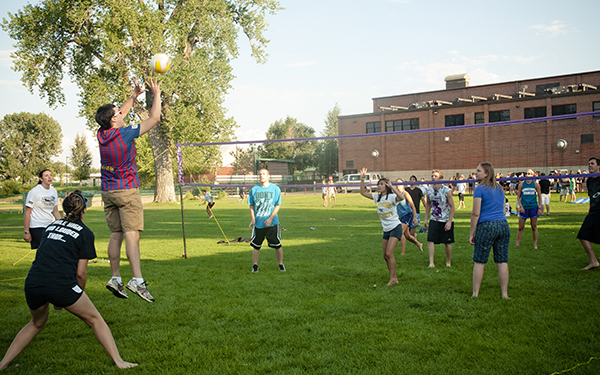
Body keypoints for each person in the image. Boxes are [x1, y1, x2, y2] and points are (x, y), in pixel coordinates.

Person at [0, 192, 137, 370]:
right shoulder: (85, 233)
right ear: (84, 211)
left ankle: (3, 363)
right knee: (95, 320)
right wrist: (73, 295)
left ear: (64, 209)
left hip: (33, 282)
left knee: (36, 323)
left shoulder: (51, 226)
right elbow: (80, 274)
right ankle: (120, 362)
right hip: (60, 286)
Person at [95, 77, 161, 303]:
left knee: (116, 234)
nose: (123, 114)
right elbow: (154, 118)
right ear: (114, 119)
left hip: (108, 192)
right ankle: (137, 280)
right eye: (119, 113)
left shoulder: (102, 133)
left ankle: (115, 277)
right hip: (127, 191)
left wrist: (133, 97)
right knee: (132, 235)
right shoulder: (124, 133)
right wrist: (156, 93)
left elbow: (119, 113)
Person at [469, 163, 511, 299]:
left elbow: (476, 213)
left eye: (478, 171)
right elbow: (504, 210)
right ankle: (504, 294)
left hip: (487, 226)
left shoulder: (480, 189)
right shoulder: (499, 188)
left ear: (486, 173)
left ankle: (475, 294)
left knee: (480, 261)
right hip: (503, 225)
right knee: (502, 261)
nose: (476, 173)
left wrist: (471, 233)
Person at [360, 168, 403, 286]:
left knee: (389, 254)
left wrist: (393, 187)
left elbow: (401, 198)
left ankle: (393, 279)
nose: (379, 186)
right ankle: (393, 277)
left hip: (395, 227)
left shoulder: (392, 197)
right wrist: (362, 178)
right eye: (378, 184)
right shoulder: (376, 197)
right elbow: (363, 192)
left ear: (387, 186)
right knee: (385, 256)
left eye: (382, 184)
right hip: (386, 229)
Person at [248, 168, 285, 273]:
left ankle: (281, 264)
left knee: (277, 244)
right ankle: (255, 265)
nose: (261, 176)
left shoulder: (275, 189)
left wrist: (270, 218)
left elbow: (278, 205)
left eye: (264, 174)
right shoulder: (254, 190)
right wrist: (253, 219)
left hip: (272, 223)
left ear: (268, 176)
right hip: (259, 223)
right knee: (256, 245)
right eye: (260, 174)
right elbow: (251, 205)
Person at [423, 170, 455, 268]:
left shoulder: (447, 191)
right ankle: (431, 263)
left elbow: (452, 206)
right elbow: (428, 204)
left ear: (440, 179)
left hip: (446, 219)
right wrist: (425, 219)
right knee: (430, 240)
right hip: (434, 219)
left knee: (447, 243)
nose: (433, 177)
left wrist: (449, 221)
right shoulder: (428, 190)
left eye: (435, 176)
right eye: (432, 175)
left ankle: (448, 262)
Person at [23, 169, 61, 249]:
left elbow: (55, 211)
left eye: (50, 175)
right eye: (46, 176)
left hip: (50, 225)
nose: (49, 177)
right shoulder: (35, 191)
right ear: (41, 179)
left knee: (52, 250)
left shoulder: (53, 191)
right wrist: (27, 232)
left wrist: (61, 224)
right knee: (43, 250)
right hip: (37, 226)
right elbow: (27, 212)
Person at [577, 157, 600, 270]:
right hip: (593, 213)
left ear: (598, 166)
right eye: (589, 164)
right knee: (582, 235)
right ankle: (594, 262)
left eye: (592, 163)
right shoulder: (589, 180)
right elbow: (591, 197)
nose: (590, 165)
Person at [395, 179, 424, 255]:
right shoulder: (395, 194)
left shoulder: (406, 193)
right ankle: (419, 244)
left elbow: (412, 205)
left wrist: (415, 218)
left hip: (408, 214)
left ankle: (403, 252)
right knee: (407, 235)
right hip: (400, 216)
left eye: (400, 184)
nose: (399, 185)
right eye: (397, 184)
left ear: (403, 185)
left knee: (400, 232)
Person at [515, 169, 542, 249]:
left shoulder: (536, 185)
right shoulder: (521, 185)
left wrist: (540, 208)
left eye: (529, 173)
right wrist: (521, 206)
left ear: (533, 175)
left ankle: (535, 245)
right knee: (520, 227)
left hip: (533, 207)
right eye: (527, 173)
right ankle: (517, 244)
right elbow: (518, 197)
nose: (527, 175)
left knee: (534, 227)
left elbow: (540, 196)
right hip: (524, 208)